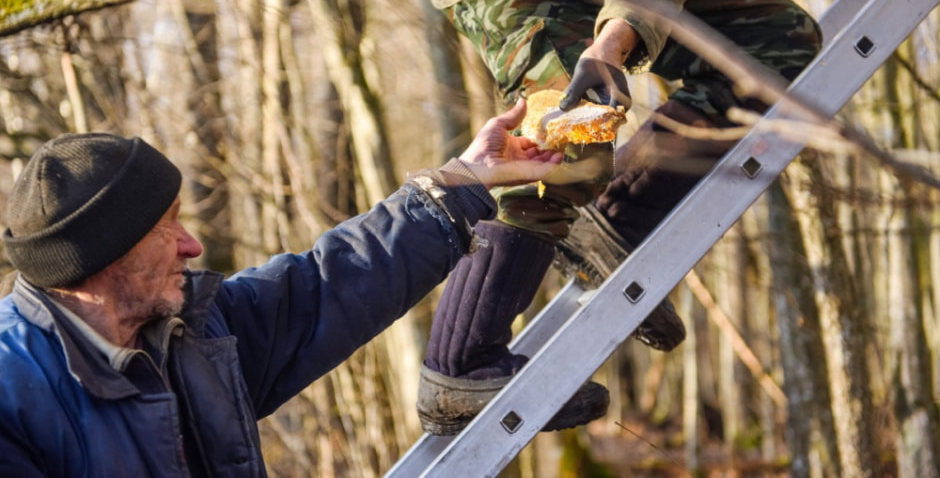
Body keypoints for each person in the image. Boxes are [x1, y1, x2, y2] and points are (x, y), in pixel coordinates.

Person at [336, 0, 824, 436]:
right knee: (569, 135)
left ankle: (615, 218)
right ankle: (460, 365)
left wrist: (616, 39)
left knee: (776, 43)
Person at [0, 101, 610, 476]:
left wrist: (462, 181)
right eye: (167, 227)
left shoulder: (195, 332)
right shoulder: (12, 402)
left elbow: (333, 280)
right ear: (106, 257)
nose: (192, 246)